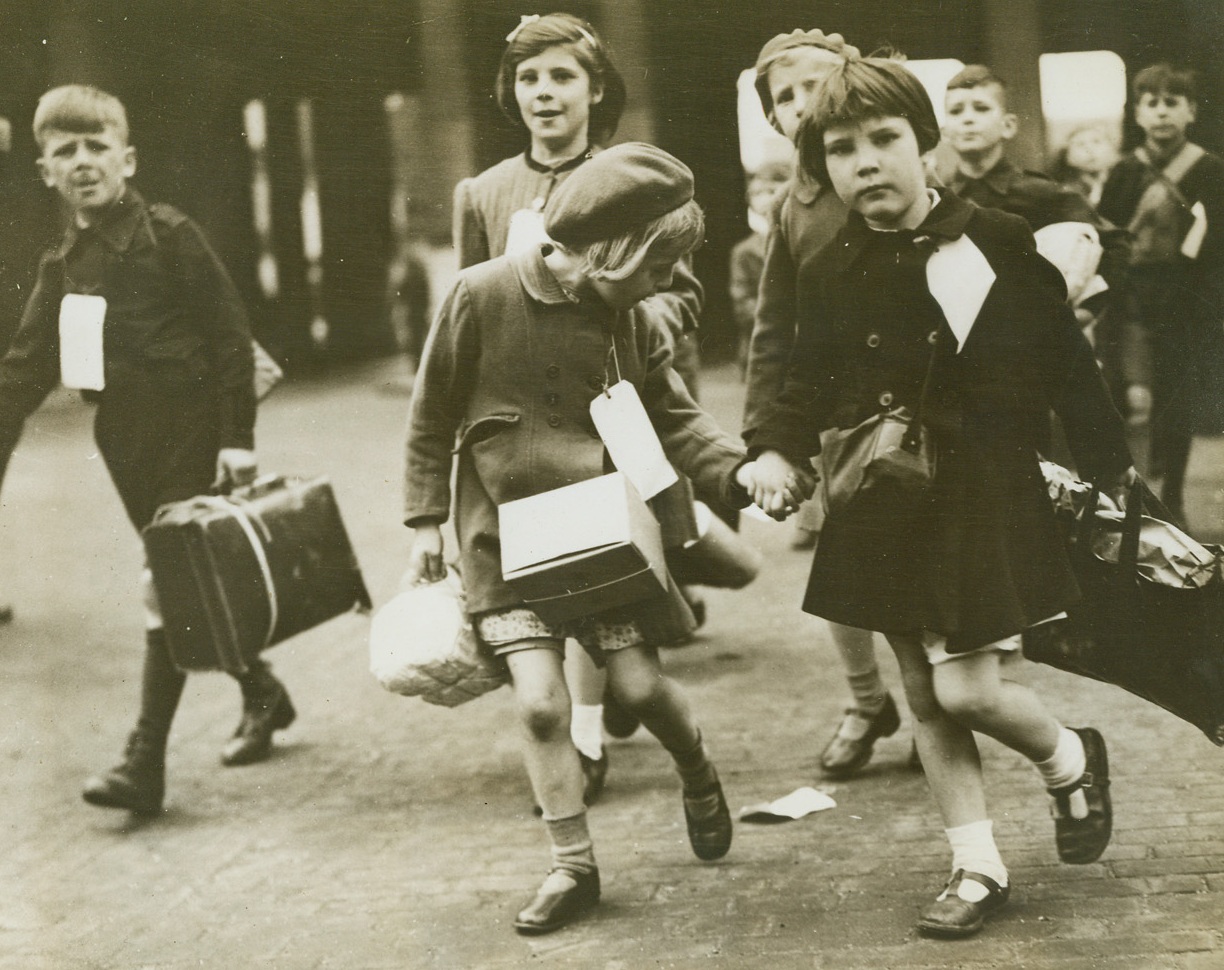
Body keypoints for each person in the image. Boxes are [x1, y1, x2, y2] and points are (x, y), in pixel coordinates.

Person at [743, 56, 1136, 938]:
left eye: (884, 141)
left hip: (984, 494)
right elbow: (805, 376)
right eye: (842, 151)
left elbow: (1072, 374)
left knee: (965, 691)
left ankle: (1070, 756)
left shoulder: (996, 240)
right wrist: (771, 447)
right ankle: (977, 865)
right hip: (886, 497)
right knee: (923, 693)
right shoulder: (835, 259)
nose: (866, 164)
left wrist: (1113, 478)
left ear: (926, 145)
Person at [404, 143, 748, 935]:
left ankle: (695, 768)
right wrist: (425, 520)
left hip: (605, 539)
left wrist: (737, 474)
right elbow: (429, 415)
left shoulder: (636, 318)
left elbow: (675, 418)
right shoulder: (478, 295)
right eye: (657, 264)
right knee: (538, 705)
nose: (666, 281)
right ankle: (572, 866)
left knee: (637, 688)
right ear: (609, 252)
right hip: (502, 536)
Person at [0, 86, 295, 815]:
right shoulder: (60, 266)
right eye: (65, 151)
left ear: (126, 158)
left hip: (192, 430)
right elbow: (25, 372)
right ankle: (263, 691)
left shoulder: (171, 235)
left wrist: (238, 442)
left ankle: (145, 762)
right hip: (126, 445)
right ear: (46, 172)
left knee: (166, 585)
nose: (83, 161)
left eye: (96, 146)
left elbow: (231, 339)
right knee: (188, 583)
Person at [742, 28, 905, 781]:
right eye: (785, 96)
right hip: (832, 419)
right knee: (838, 573)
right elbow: (773, 329)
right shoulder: (790, 209)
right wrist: (768, 442)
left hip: (914, 408)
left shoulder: (893, 173)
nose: (803, 104)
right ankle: (868, 699)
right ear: (772, 118)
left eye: (816, 83)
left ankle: (939, 700)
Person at [1098, 63, 1224, 524]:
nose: (1162, 113)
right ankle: (1128, 496)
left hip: (1184, 298)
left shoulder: (1210, 169)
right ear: (1137, 113)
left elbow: (1219, 241)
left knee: (1175, 395)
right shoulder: (1124, 172)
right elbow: (1106, 232)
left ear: (1191, 111)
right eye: (1152, 103)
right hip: (1129, 297)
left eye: (1172, 103)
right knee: (1126, 394)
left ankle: (1173, 496)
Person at [729, 153, 791, 372]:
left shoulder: (798, 242)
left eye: (772, 191)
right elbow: (742, 301)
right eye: (756, 193)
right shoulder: (744, 251)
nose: (764, 199)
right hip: (763, 344)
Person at [1050, 123, 1119, 207]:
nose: (1090, 149)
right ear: (1068, 155)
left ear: (1112, 148)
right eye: (1080, 144)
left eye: (1096, 141)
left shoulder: (1125, 180)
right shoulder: (1065, 188)